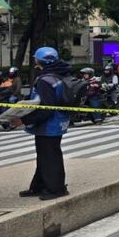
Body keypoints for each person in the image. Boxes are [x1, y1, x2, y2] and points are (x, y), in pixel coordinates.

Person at [11, 47, 71, 200]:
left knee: (50, 156)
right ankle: (39, 186)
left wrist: (23, 120)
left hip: (49, 125)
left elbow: (46, 109)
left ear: (39, 61)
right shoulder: (59, 75)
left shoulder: (45, 80)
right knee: (45, 155)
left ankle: (56, 189)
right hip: (58, 122)